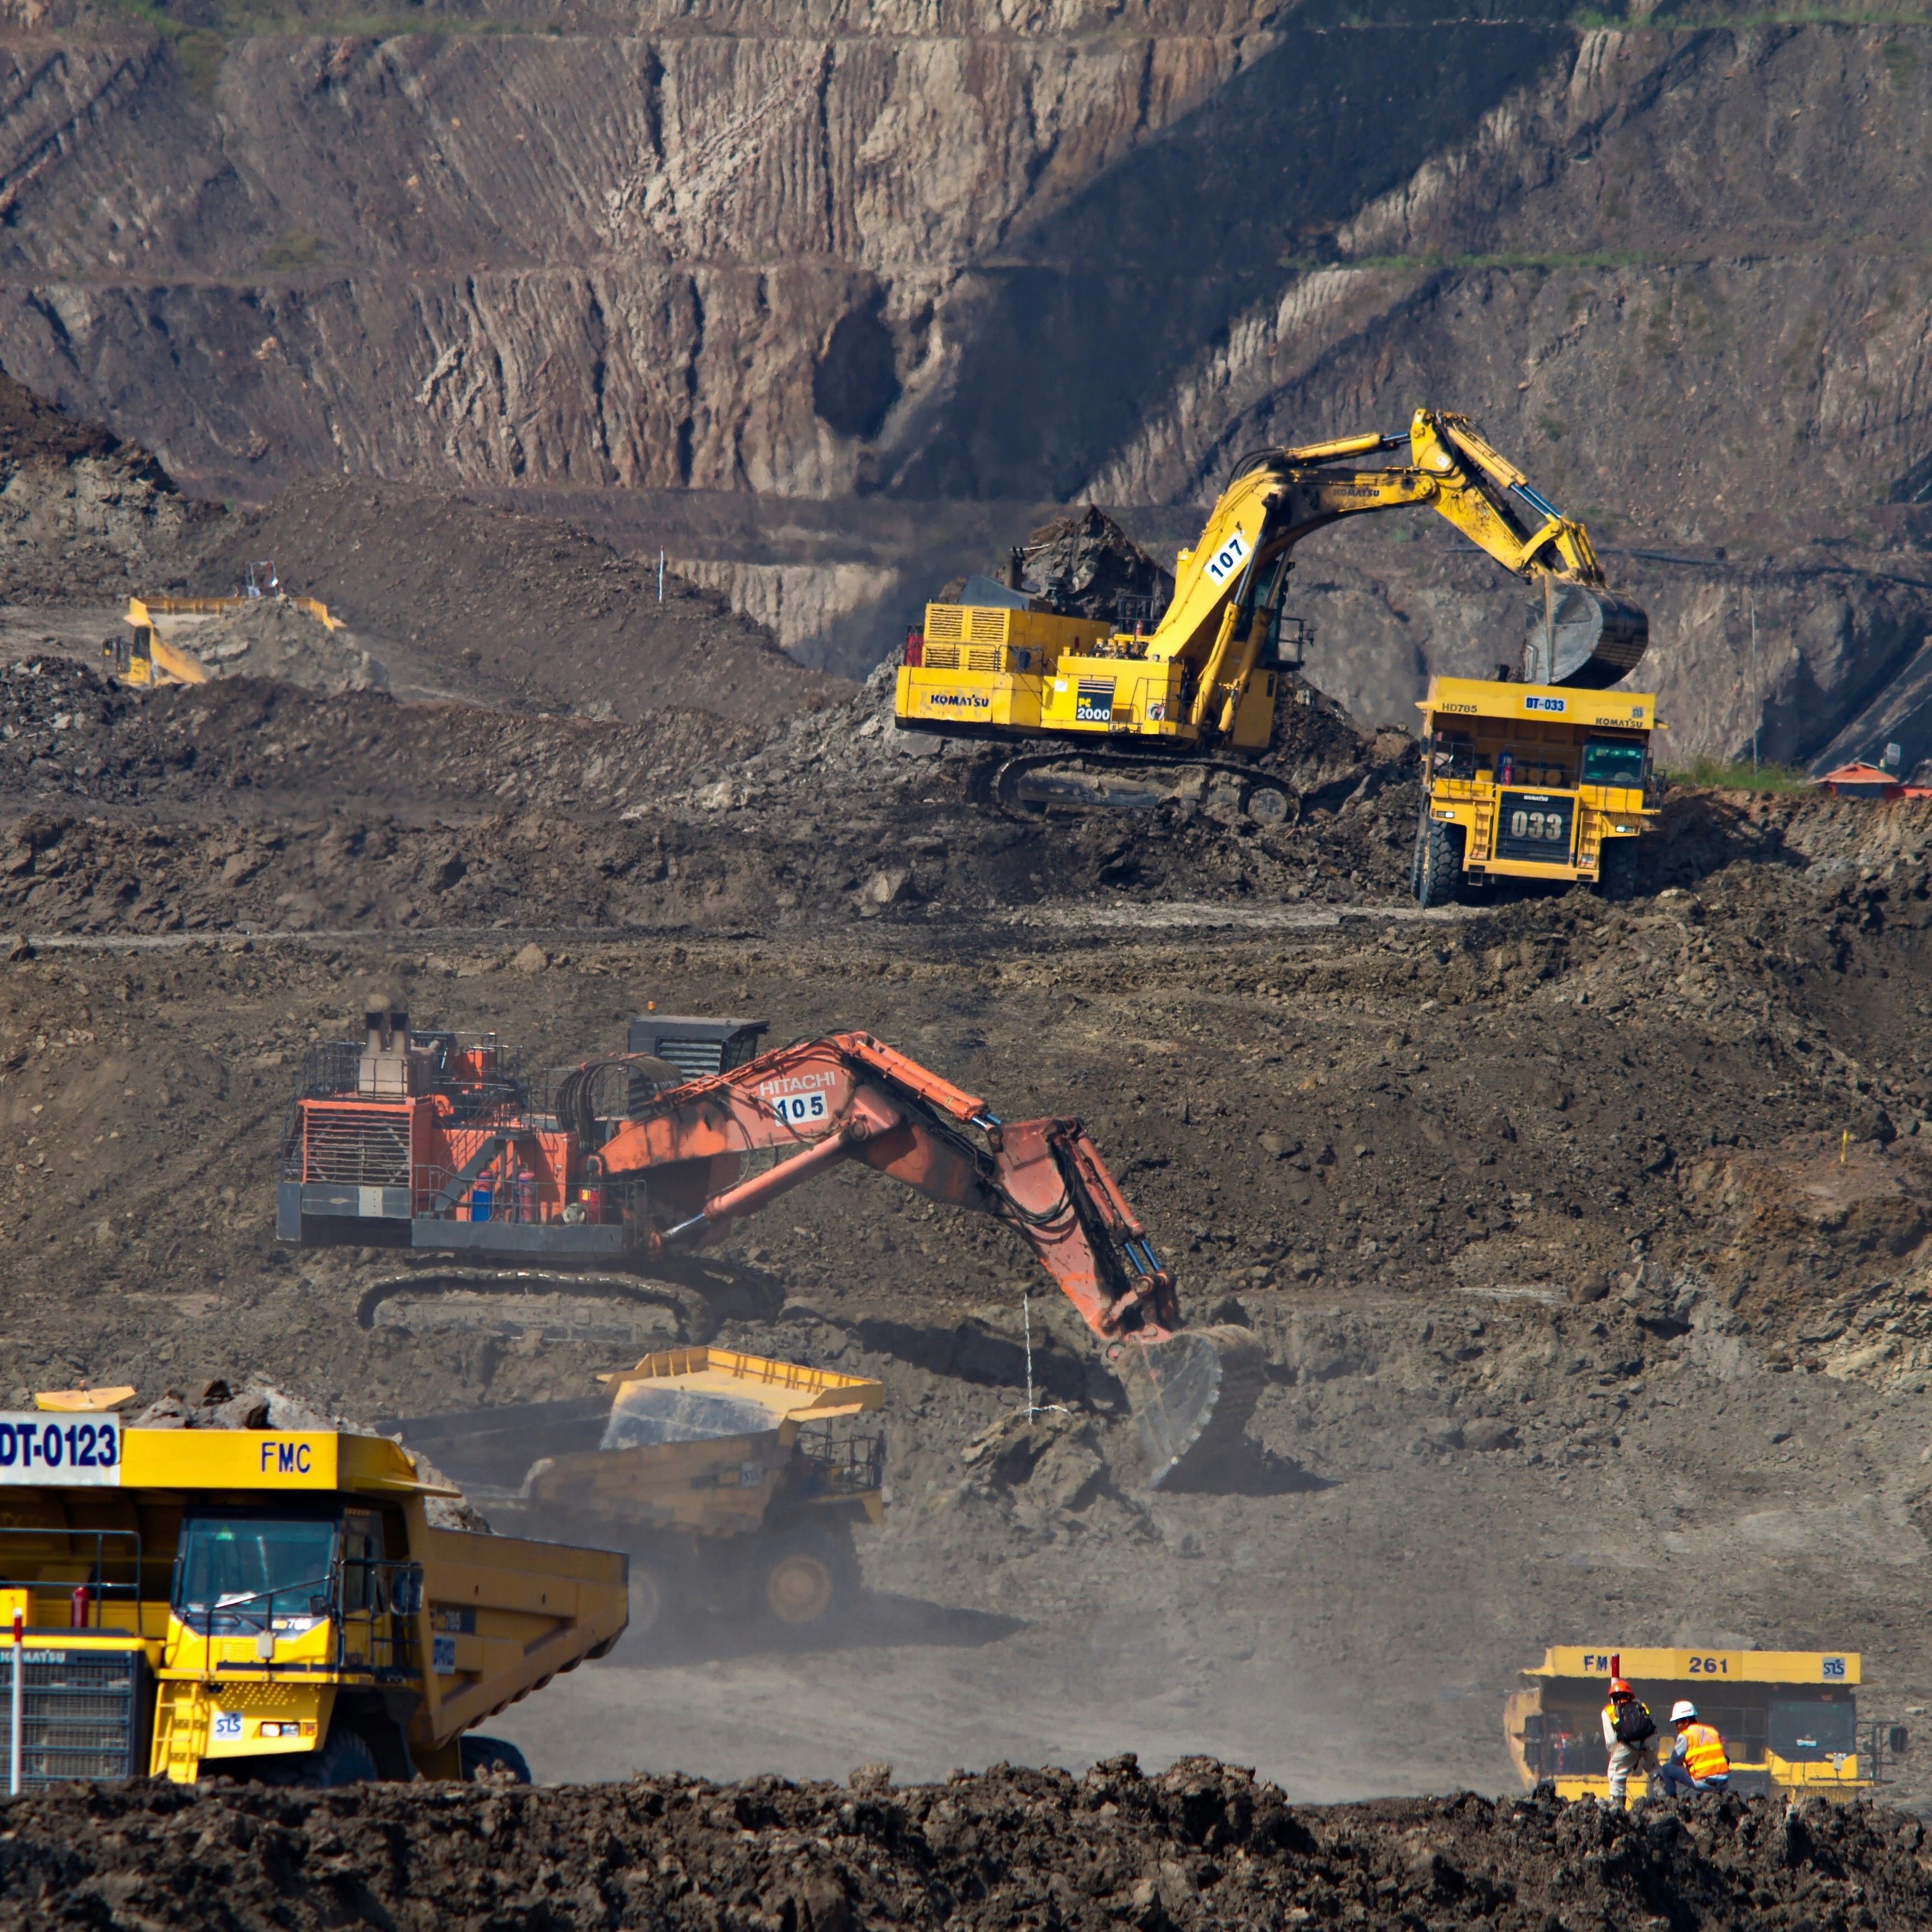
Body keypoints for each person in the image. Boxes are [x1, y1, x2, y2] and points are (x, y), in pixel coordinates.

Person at [1601, 1677, 1658, 1806]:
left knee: (1616, 1773)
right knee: (1654, 1770)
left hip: (1627, 1745)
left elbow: (1611, 1741)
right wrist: (1652, 1749)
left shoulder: (1608, 1711)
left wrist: (1615, 1755)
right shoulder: (1641, 1706)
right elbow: (1650, 1728)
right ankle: (1665, 1799)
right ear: (1630, 1695)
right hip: (1647, 1742)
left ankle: (1618, 1805)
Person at [1655, 1700, 1730, 1798]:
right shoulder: (1712, 1731)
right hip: (1724, 1782)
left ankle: (1671, 1800)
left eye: (1678, 1723)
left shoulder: (1685, 1736)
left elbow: (1675, 1762)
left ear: (1686, 1721)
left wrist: (1687, 1765)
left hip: (1705, 1783)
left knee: (1667, 1768)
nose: (1676, 1727)